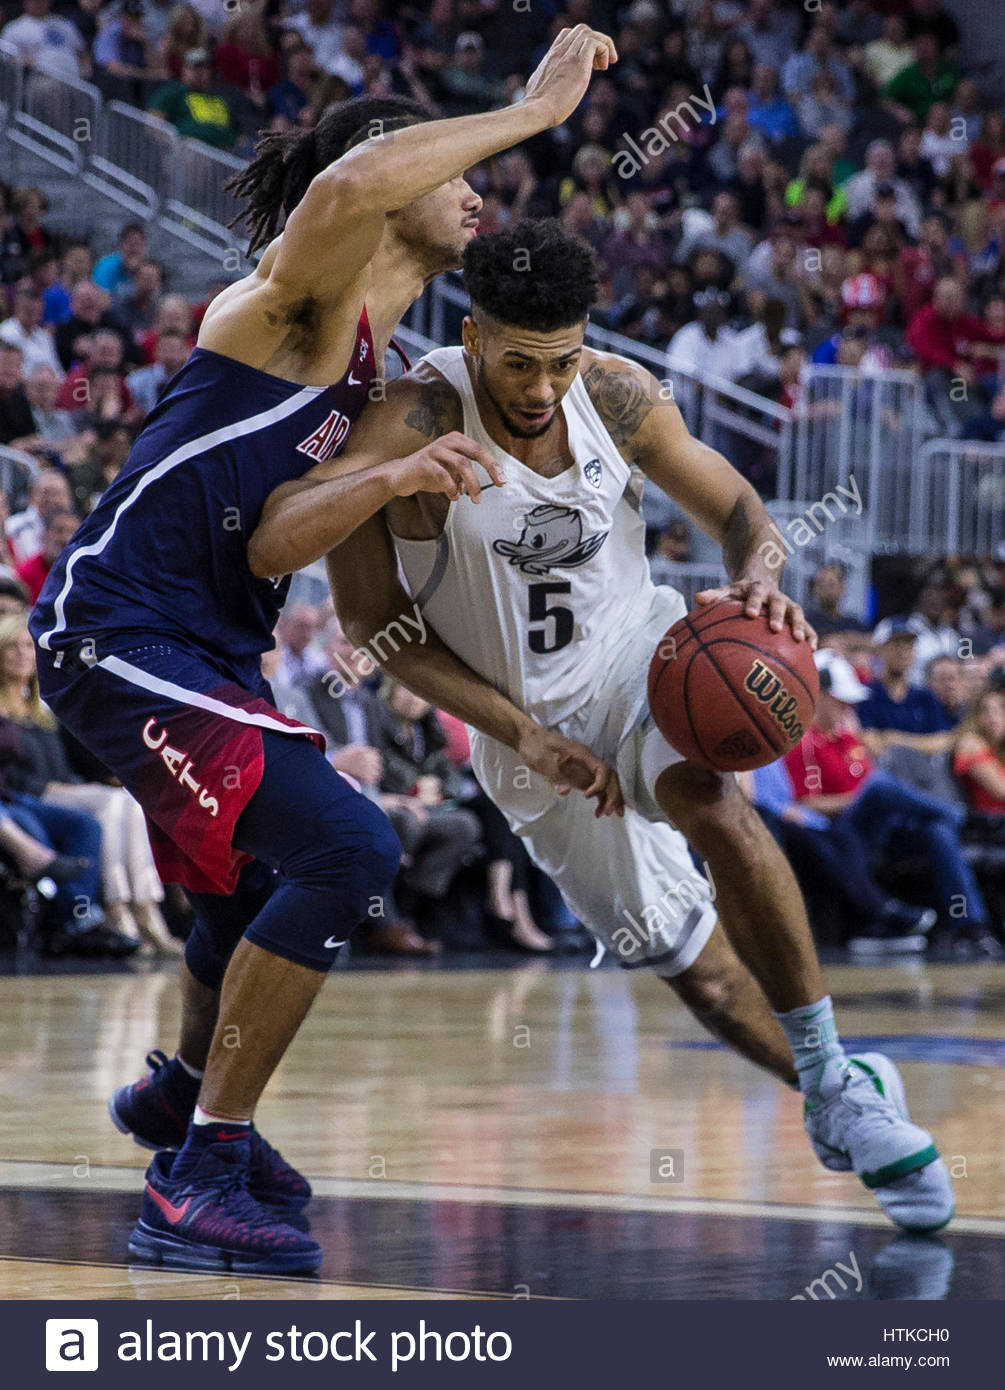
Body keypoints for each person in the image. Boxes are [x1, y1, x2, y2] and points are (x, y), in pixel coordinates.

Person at [30, 29, 624, 1276]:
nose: (476, 193)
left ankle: (184, 1105)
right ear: (385, 168)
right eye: (454, 171)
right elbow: (348, 190)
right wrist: (534, 108)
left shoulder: (379, 378)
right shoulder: (280, 302)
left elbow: (287, 559)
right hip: (118, 625)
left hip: (210, 644)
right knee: (352, 847)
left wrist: (510, 714)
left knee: (251, 887)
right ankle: (197, 1174)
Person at [250, 218, 954, 1235]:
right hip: (523, 728)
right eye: (522, 362)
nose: (543, 387)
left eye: (563, 360)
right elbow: (374, 629)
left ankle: (831, 1074)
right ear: (477, 333)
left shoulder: (616, 394)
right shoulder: (408, 423)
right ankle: (834, 1088)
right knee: (695, 969)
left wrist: (758, 584)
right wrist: (523, 734)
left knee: (711, 798)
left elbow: (739, 507)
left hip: (647, 658)